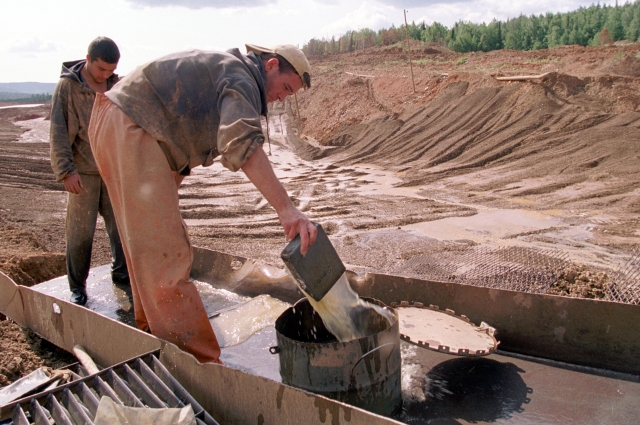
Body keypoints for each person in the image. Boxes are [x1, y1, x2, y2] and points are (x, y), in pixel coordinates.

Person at [88, 44, 318, 364]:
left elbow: (208, 137)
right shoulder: (242, 78)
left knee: (147, 251)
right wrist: (287, 209)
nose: (281, 98)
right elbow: (240, 142)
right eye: (286, 88)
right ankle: (201, 366)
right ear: (271, 65)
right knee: (166, 254)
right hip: (132, 128)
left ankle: (156, 338)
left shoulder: (229, 70)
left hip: (120, 124)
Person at [50, 37, 129, 306]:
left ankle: (122, 276)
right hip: (82, 173)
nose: (106, 75)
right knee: (80, 233)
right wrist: (65, 172)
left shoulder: (116, 86)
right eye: (101, 70)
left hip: (112, 171)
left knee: (121, 229)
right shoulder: (68, 87)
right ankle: (77, 287)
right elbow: (58, 132)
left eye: (110, 70)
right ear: (88, 59)